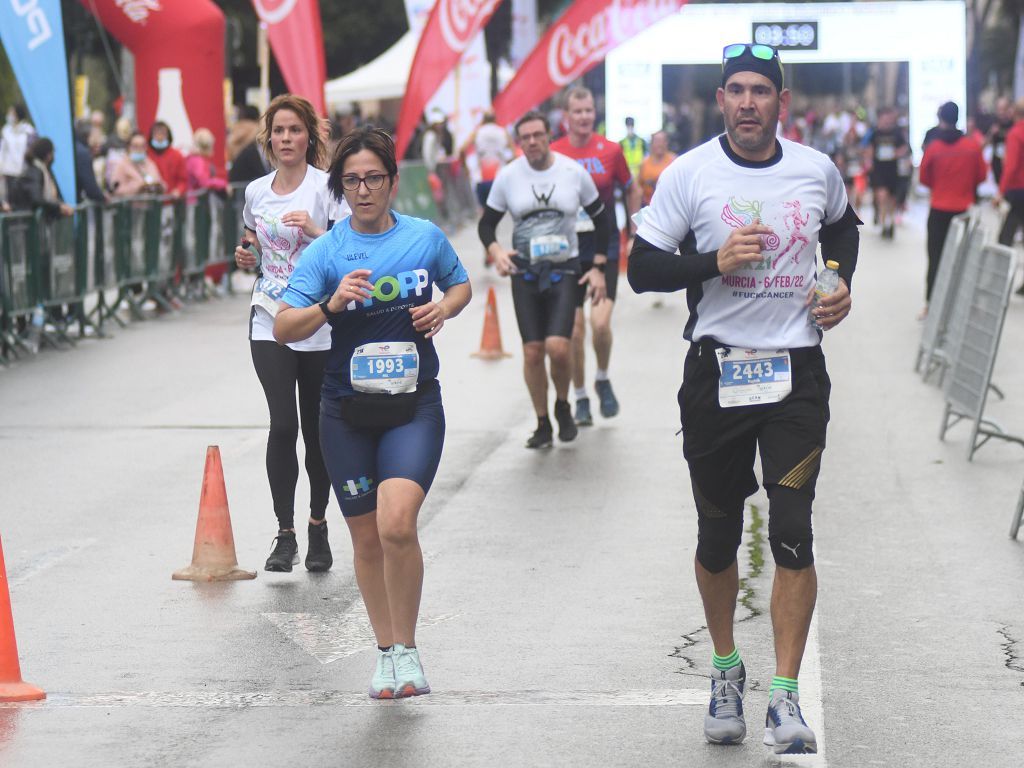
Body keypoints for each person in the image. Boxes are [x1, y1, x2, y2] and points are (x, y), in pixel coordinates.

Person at [628, 42, 860, 755]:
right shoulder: (689, 173)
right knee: (717, 534)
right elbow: (641, 269)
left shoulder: (814, 169)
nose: (750, 102)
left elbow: (843, 230)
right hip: (717, 374)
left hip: (796, 374)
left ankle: (784, 699)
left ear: (781, 103)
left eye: (763, 91)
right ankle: (726, 668)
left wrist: (836, 282)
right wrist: (712, 262)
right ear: (721, 100)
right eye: (738, 90)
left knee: (792, 530)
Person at [273, 126, 471, 699]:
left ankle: (408, 649)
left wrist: (443, 310)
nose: (364, 190)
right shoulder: (326, 251)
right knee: (364, 539)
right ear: (340, 186)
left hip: (413, 406)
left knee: (396, 523)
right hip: (345, 411)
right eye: (353, 180)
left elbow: (460, 286)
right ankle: (385, 653)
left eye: (374, 178)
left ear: (392, 181)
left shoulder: (424, 237)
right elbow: (285, 327)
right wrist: (330, 304)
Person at [232, 94, 346, 573]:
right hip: (269, 316)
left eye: (295, 130)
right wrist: (246, 255)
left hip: (318, 320)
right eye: (278, 131)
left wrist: (317, 231)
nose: (286, 139)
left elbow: (347, 250)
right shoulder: (257, 191)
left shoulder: (326, 188)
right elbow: (252, 240)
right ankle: (285, 533)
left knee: (318, 433)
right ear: (268, 137)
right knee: (283, 425)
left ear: (309, 136)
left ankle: (318, 525)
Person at [478, 111, 608, 448]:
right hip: (526, 272)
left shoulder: (573, 173)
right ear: (518, 142)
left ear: (549, 135)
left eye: (538, 135)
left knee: (558, 347)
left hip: (565, 269)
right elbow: (486, 224)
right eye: (526, 137)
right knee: (533, 352)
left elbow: (603, 222)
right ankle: (542, 422)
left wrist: (597, 267)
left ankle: (563, 405)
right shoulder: (508, 177)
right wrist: (496, 251)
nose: (532, 142)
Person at [551, 87, 641, 426]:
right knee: (574, 330)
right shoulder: (554, 151)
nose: (584, 117)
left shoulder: (611, 150)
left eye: (589, 110)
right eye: (578, 111)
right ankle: (580, 397)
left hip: (605, 245)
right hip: (567, 248)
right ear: (566, 116)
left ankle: (601, 377)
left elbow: (631, 187)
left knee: (599, 324)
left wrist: (634, 231)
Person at [919, 102, 986, 308]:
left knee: (935, 258)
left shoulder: (933, 148)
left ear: (940, 119)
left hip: (939, 209)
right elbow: (981, 176)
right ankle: (960, 305)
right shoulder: (972, 146)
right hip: (964, 211)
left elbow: (923, 178)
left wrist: (939, 187)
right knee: (963, 259)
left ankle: (931, 304)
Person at [862, 106, 908, 239]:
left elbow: (904, 147)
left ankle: (891, 222)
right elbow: (868, 148)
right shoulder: (874, 133)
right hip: (878, 170)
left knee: (892, 200)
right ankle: (883, 225)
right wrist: (868, 160)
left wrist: (896, 154)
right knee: (882, 196)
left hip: (892, 170)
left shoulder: (897, 133)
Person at [995, 98, 1024, 295]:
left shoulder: (1015, 133)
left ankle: (998, 281)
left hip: (1017, 191)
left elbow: (1011, 165)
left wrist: (1000, 191)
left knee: (1005, 237)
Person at [10, 137, 75, 219]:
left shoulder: (43, 171)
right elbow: (37, 198)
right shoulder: (35, 172)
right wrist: (58, 207)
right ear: (48, 155)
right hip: (26, 224)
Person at [109, 133, 164, 197]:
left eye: (142, 146)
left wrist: (159, 187)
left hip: (150, 204)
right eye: (135, 146)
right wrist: (138, 187)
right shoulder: (121, 165)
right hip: (130, 205)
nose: (139, 149)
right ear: (128, 147)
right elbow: (116, 190)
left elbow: (160, 182)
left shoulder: (150, 164)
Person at [0, 104, 35, 202]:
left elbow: (31, 152)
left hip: (23, 173)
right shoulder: (6, 130)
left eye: (11, 113)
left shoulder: (29, 131)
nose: (9, 115)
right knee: (9, 200)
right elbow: (2, 151)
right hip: (8, 173)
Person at [147, 121, 187, 196]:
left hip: (171, 200)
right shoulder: (146, 155)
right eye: (156, 134)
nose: (159, 137)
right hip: (151, 201)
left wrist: (178, 190)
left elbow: (183, 180)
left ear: (168, 136)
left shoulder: (177, 155)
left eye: (163, 134)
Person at [637, 130, 676, 207]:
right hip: (648, 207)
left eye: (662, 141)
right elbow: (638, 188)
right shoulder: (644, 163)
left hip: (669, 206)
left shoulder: (674, 161)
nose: (660, 144)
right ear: (652, 143)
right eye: (657, 141)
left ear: (666, 143)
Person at [989, 96, 1014, 186]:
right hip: (997, 163)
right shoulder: (993, 123)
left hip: (1011, 165)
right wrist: (991, 134)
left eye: (1004, 109)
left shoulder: (1014, 124)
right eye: (999, 109)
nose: (1001, 112)